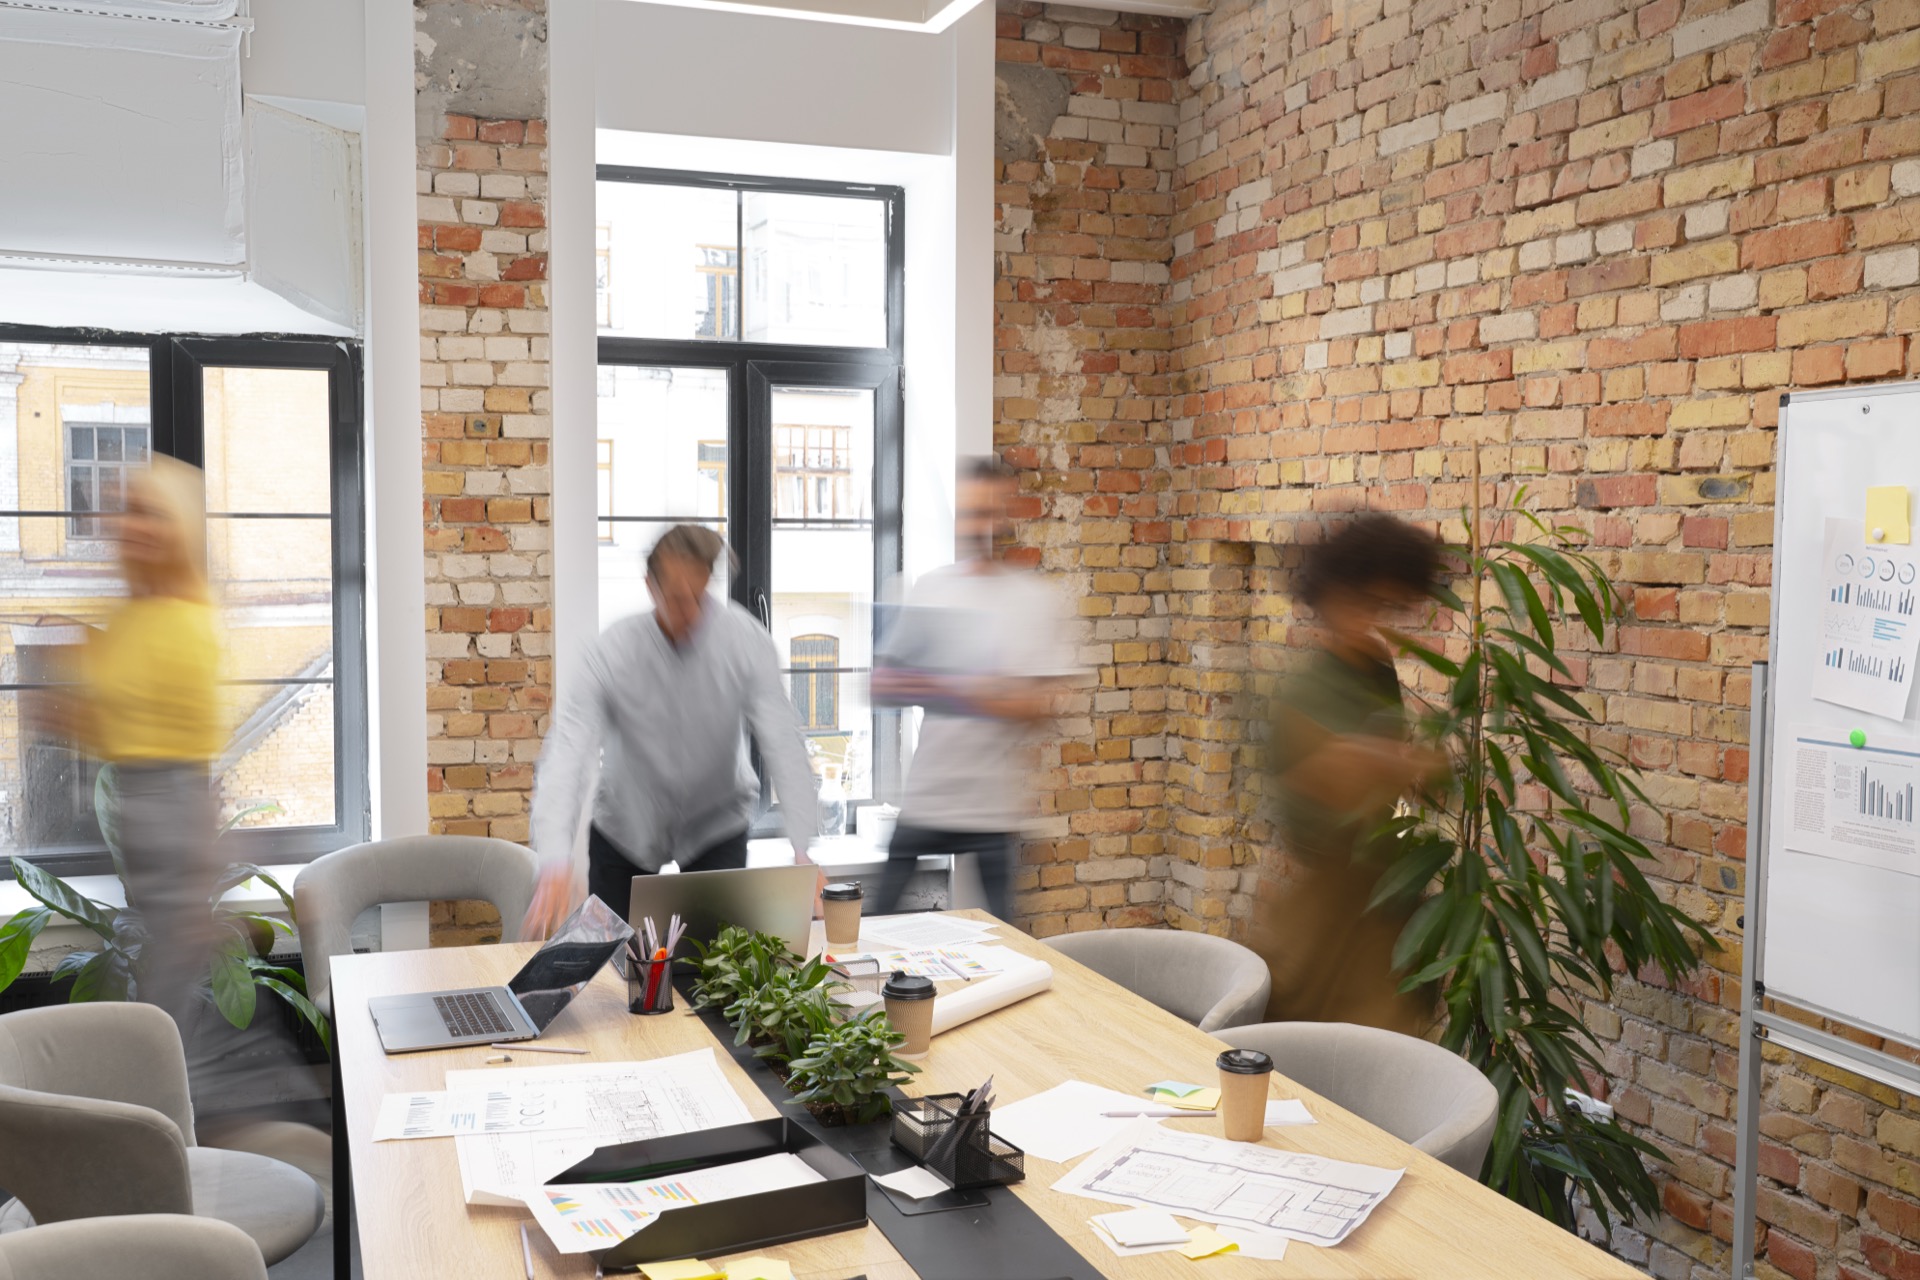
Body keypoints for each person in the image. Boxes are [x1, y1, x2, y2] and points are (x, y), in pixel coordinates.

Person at [524, 525, 819, 937]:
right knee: (617, 973)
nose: (692, 615)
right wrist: (554, 857)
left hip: (716, 825)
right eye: (678, 600)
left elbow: (783, 743)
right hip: (626, 829)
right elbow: (568, 752)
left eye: (700, 598)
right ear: (651, 587)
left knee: (719, 971)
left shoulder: (746, 642)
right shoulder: (611, 651)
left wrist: (803, 846)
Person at [1250, 512, 1450, 1037]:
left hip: (1388, 897)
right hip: (1330, 906)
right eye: (1366, 603)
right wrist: (1403, 764)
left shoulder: (1377, 667)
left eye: (1390, 607)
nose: (1377, 618)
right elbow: (1335, 777)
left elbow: (1393, 771)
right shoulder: (1303, 694)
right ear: (1332, 596)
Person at [868, 458, 1074, 924]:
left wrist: (957, 687)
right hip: (927, 798)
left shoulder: (1028, 600)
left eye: (989, 511)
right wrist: (977, 688)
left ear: (1005, 516)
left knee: (1010, 942)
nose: (980, 524)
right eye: (970, 512)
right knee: (877, 929)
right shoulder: (931, 588)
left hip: (990, 811)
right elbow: (882, 684)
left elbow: (1040, 708)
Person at [72, 458, 225, 1048]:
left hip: (170, 809)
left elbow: (177, 729)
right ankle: (181, 1114)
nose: (130, 524)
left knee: (167, 1000)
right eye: (127, 510)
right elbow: (110, 726)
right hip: (140, 806)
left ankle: (181, 1120)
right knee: (168, 993)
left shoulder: (184, 618)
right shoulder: (133, 615)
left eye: (149, 513)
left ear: (179, 529)